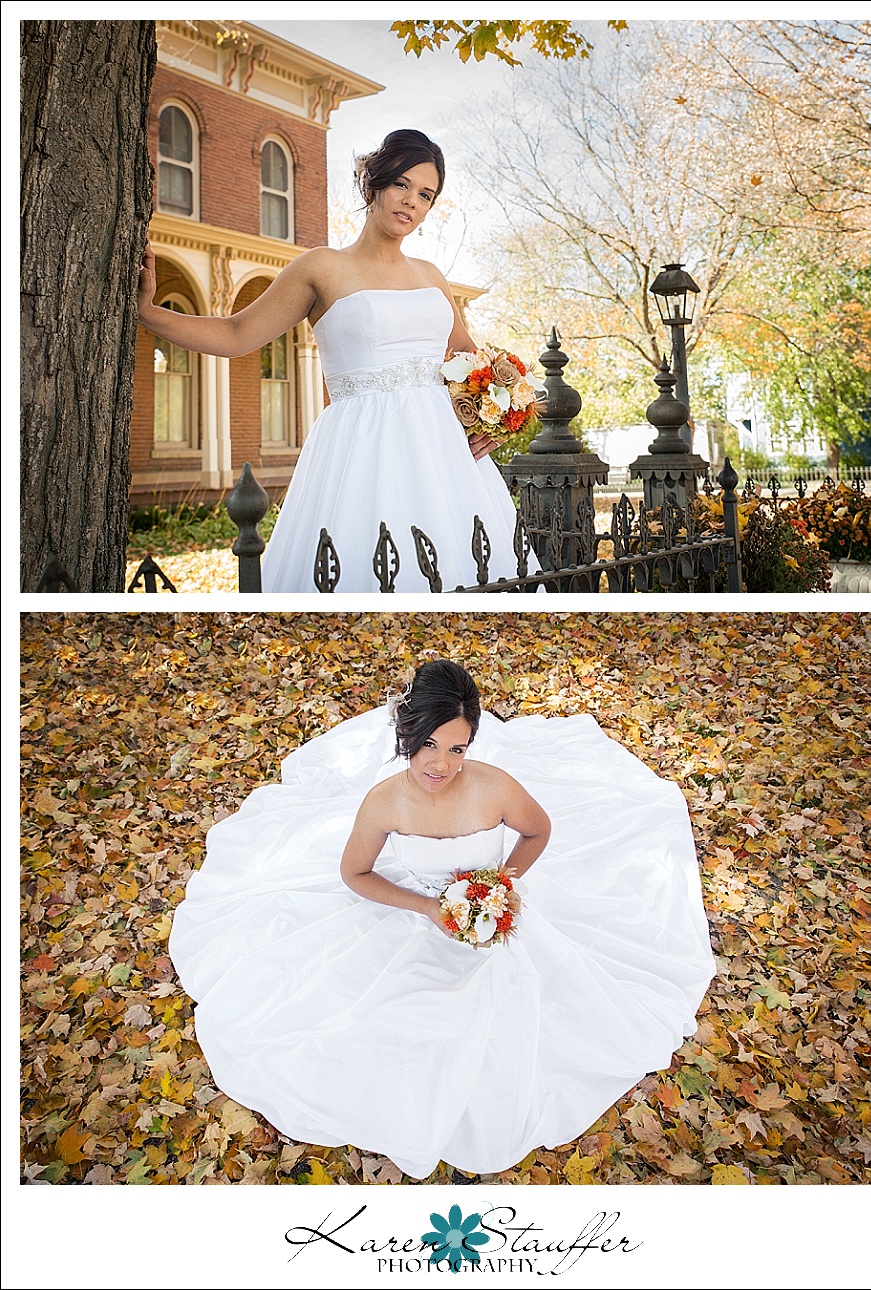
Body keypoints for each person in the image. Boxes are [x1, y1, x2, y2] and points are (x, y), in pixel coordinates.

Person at [168, 659, 716, 1180]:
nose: (441, 765)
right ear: (407, 737)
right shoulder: (385, 801)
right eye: (428, 745)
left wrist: (503, 883)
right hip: (418, 911)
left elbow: (538, 831)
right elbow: (354, 874)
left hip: (491, 902)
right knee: (385, 1030)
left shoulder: (494, 787)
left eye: (457, 748)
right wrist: (429, 908)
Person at [138, 129, 530, 592]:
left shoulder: (431, 275)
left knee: (467, 566)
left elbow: (468, 357)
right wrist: (148, 312)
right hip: (362, 445)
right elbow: (236, 333)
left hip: (444, 452)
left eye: (426, 195)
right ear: (374, 185)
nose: (411, 202)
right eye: (402, 184)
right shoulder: (321, 267)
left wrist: (499, 420)